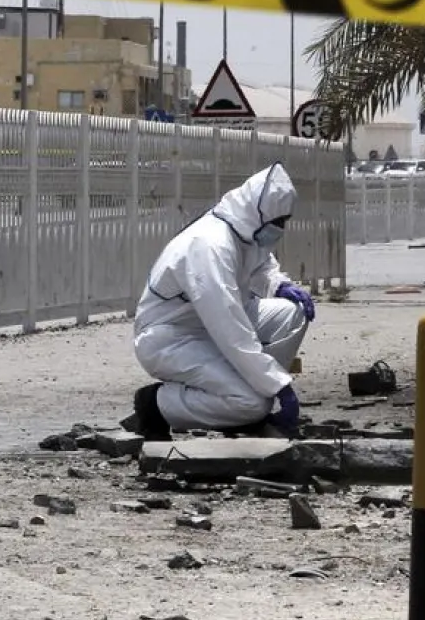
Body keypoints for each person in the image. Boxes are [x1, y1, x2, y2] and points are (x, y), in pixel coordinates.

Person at [122, 162, 316, 441]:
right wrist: (279, 386)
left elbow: (262, 265)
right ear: (258, 215)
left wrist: (280, 285)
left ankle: (249, 391)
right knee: (251, 403)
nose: (280, 229)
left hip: (206, 326)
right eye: (278, 223)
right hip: (171, 338)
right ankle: (156, 404)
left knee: (291, 314)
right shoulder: (209, 245)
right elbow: (230, 330)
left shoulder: (244, 230)